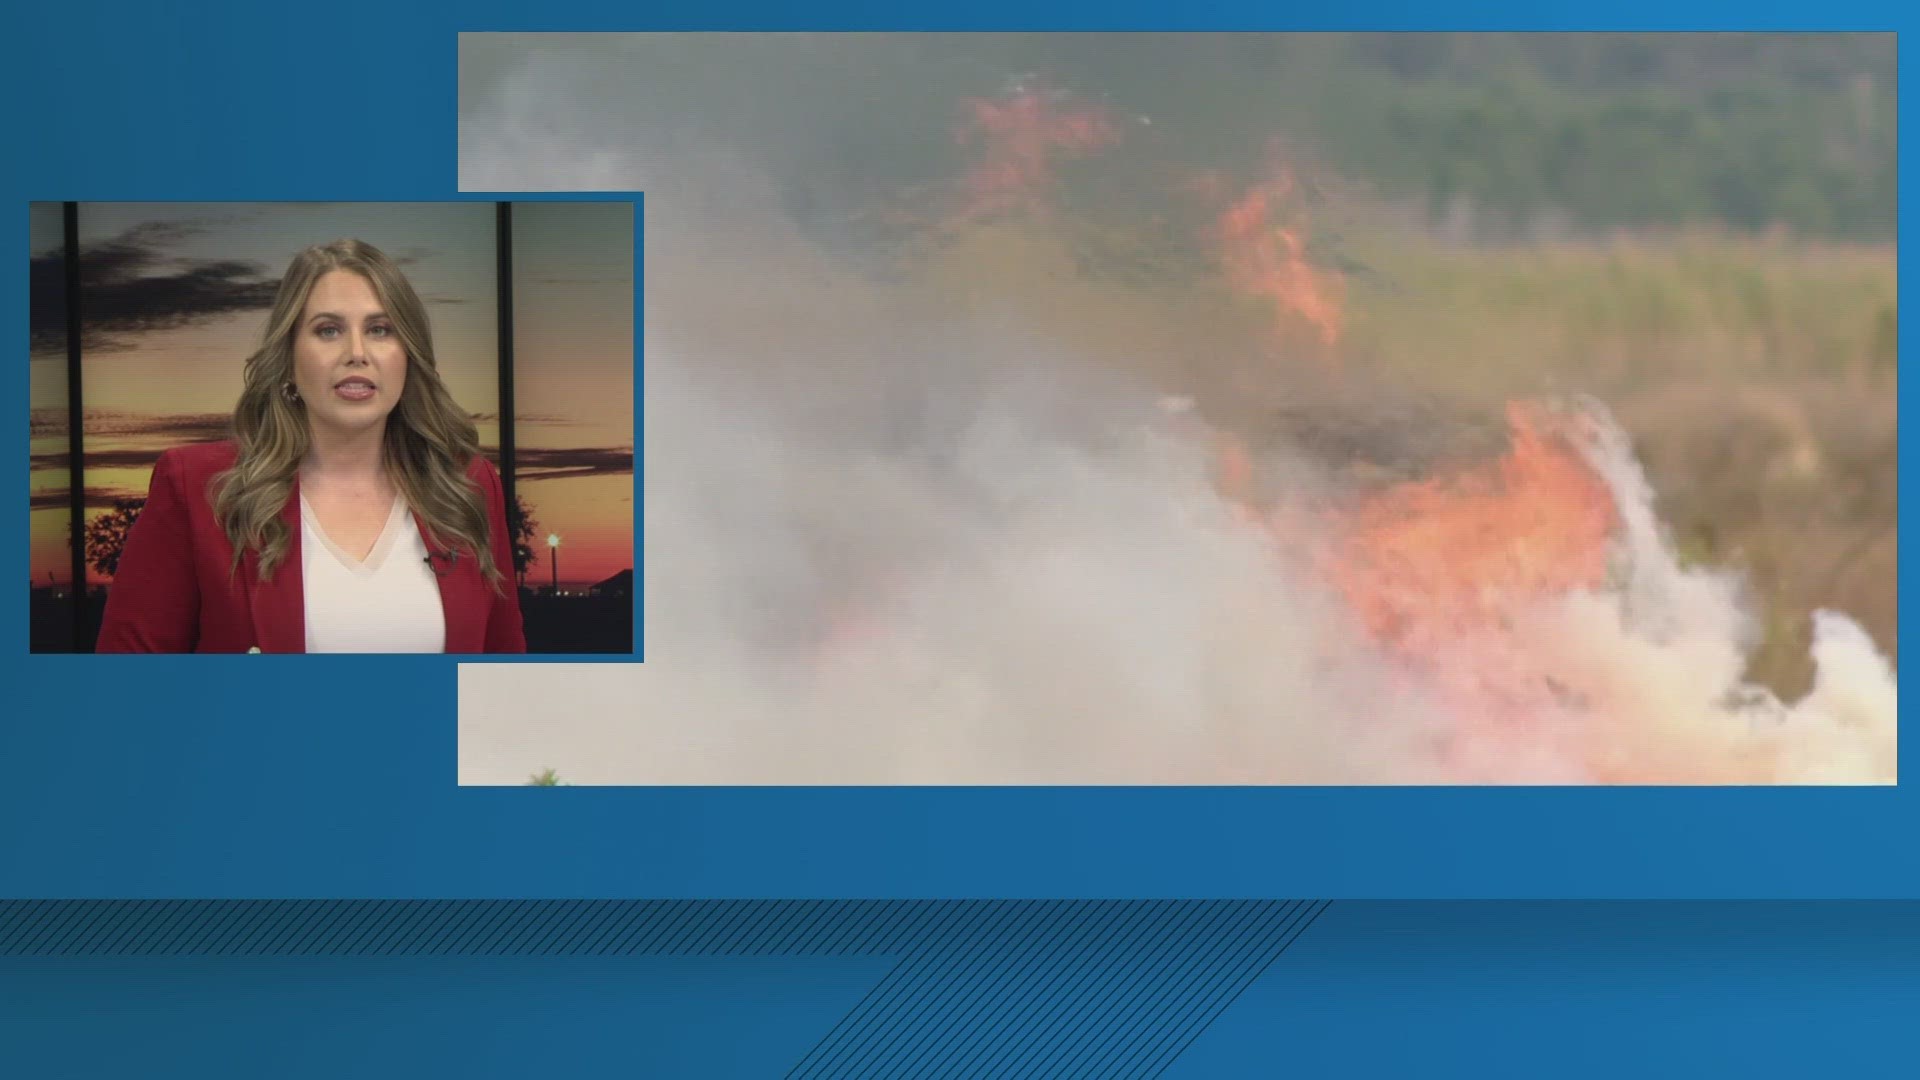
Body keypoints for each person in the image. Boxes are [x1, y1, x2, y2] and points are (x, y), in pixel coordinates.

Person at [97, 239, 526, 654]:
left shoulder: (468, 485)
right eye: (328, 330)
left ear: (409, 356)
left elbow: (506, 680)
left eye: (380, 330)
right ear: (288, 357)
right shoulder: (197, 486)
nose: (356, 353)